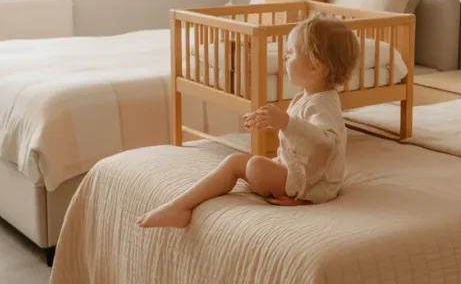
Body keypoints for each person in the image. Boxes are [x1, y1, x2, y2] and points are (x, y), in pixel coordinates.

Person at [138, 15, 360, 229]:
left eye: (291, 53)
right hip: (305, 176)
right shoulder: (309, 98)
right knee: (243, 163)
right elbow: (301, 138)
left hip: (313, 185)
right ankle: (178, 206)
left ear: (315, 66)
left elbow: (328, 142)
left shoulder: (324, 105)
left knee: (246, 165)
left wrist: (285, 123)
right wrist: (272, 120)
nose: (285, 58)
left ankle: (180, 207)